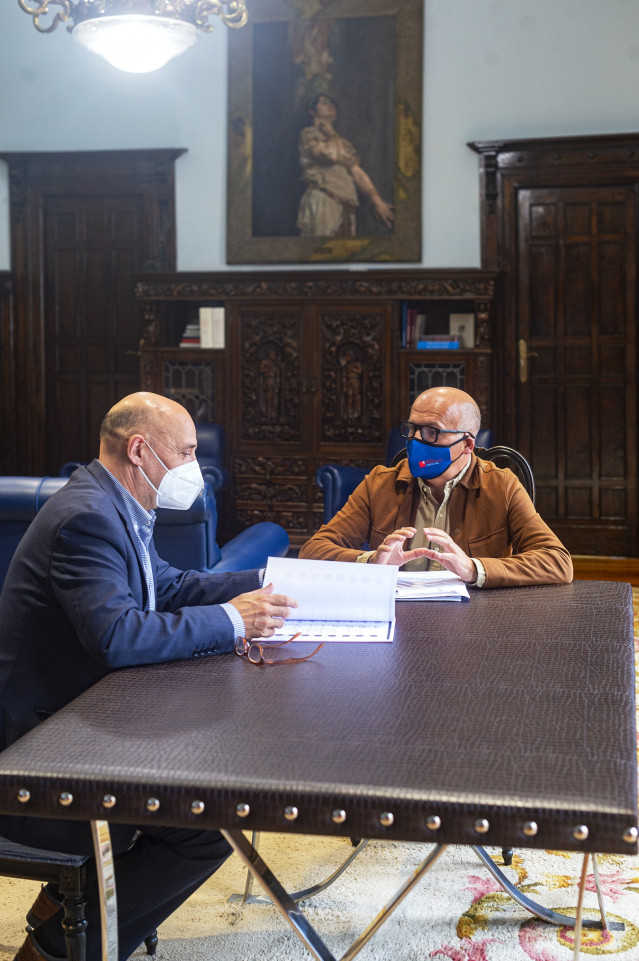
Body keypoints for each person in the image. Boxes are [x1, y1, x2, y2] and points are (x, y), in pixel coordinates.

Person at [0, 391, 298, 961]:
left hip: (82, 716)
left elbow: (172, 586)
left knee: (200, 780)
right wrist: (235, 620)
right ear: (141, 449)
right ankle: (57, 949)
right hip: (35, 749)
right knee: (203, 826)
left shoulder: (113, 503)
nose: (194, 466)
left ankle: (60, 911)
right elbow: (119, 636)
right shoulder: (86, 517)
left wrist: (275, 580)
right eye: (185, 452)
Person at [300, 386, 573, 587]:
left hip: (472, 623)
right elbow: (313, 551)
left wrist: (474, 568)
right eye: (412, 429)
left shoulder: (502, 485)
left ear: (467, 444)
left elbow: (557, 562)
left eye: (431, 431)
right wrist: (372, 563)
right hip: (397, 617)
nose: (415, 441)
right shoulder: (379, 483)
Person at [296, 94, 394, 238]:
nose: (331, 105)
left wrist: (378, 201)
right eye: (324, 102)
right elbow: (331, 155)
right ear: (312, 111)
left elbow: (357, 172)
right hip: (323, 202)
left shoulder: (342, 142)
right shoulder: (309, 134)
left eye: (332, 102)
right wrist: (330, 132)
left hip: (346, 208)